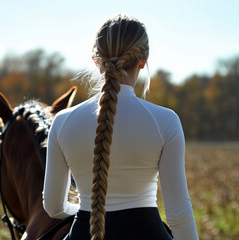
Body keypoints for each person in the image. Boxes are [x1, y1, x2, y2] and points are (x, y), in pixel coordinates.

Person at [43, 14, 199, 240]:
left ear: (97, 61)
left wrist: (91, 210)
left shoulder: (63, 122)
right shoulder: (166, 121)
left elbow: (54, 208)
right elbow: (179, 215)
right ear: (142, 60)